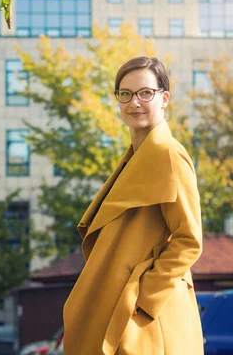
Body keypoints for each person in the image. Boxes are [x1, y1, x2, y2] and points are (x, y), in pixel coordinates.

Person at [62, 57, 204, 355]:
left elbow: (189, 241)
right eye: (124, 94)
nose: (134, 102)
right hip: (122, 302)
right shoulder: (137, 156)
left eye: (145, 93)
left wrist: (142, 298)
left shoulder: (168, 155)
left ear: (164, 98)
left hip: (149, 316)